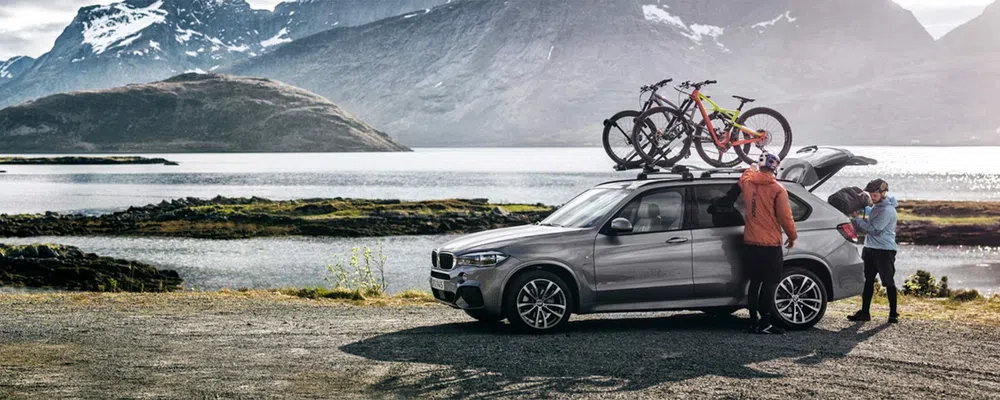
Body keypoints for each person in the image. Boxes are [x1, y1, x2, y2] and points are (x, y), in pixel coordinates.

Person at [739, 153, 798, 335]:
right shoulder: (778, 189)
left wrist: (751, 168)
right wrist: (792, 236)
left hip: (750, 242)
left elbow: (745, 176)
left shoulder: (748, 183)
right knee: (770, 283)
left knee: (755, 283)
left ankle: (751, 322)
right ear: (775, 168)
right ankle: (765, 323)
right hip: (770, 244)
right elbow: (785, 217)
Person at [848, 178, 900, 324]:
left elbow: (875, 230)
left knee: (888, 281)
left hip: (884, 251)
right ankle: (865, 312)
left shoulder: (888, 210)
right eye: (870, 195)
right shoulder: (878, 206)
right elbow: (873, 213)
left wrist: (856, 219)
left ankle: (893, 313)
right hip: (870, 248)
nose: (872, 198)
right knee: (868, 281)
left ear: (883, 193)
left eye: (875, 195)